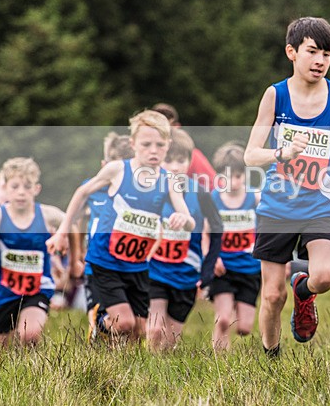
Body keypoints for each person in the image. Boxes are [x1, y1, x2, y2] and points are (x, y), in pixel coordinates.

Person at [244, 16, 330, 356]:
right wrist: (281, 153)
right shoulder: (275, 96)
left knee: (325, 277)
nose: (320, 61)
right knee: (272, 295)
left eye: (327, 54)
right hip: (278, 205)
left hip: (322, 203)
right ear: (291, 52)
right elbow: (250, 155)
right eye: (312, 52)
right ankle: (271, 361)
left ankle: (304, 290)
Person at [47, 110, 196, 344]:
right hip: (106, 261)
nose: (153, 151)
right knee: (124, 323)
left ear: (168, 145)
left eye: (159, 145)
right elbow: (82, 192)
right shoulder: (117, 170)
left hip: (137, 264)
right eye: (146, 145)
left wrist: (182, 219)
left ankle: (119, 360)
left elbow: (189, 220)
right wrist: (62, 231)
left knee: (139, 330)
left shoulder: (169, 181)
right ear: (133, 144)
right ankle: (99, 324)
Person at [0, 158, 65, 348]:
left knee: (28, 335)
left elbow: (67, 223)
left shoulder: (36, 214)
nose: (21, 192)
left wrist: (64, 247)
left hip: (20, 287)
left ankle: (33, 363)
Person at [147, 128, 222, 351]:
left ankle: (159, 370)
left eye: (181, 160)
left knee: (170, 341)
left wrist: (207, 272)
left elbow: (217, 229)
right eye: (169, 160)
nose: (174, 166)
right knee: (154, 330)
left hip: (186, 275)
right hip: (155, 270)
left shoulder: (200, 193)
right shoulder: (150, 191)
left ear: (190, 162)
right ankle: (145, 366)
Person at [75, 131, 135, 341]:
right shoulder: (92, 188)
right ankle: (98, 330)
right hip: (97, 263)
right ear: (104, 165)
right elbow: (79, 218)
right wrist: (79, 251)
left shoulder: (135, 191)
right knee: (106, 312)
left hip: (128, 263)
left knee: (130, 321)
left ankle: (120, 351)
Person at [206, 142, 260, 350]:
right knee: (223, 320)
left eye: (238, 176)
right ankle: (218, 363)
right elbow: (205, 233)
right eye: (228, 176)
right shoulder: (213, 200)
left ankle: (238, 303)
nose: (234, 182)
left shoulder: (255, 198)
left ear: (245, 174)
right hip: (223, 269)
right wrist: (212, 258)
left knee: (244, 328)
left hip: (249, 268)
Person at [151, 103, 217, 189]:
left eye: (167, 126)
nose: (163, 130)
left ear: (177, 127)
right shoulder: (140, 154)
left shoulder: (192, 154)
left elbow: (216, 186)